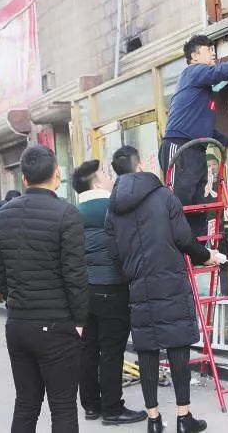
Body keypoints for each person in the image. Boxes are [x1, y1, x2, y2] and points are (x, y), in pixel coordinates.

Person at [105, 146, 218, 433]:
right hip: (170, 281)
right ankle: (183, 417)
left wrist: (132, 274)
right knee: (177, 344)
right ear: (139, 165)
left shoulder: (113, 209)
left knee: (147, 349)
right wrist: (206, 256)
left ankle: (153, 420)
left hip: (138, 285)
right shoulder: (164, 197)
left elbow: (114, 253)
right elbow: (183, 238)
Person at [0, 144, 88, 433]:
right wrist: (80, 320)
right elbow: (75, 275)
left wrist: (14, 302)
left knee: (26, 403)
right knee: (63, 406)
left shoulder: (1, 216)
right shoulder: (67, 214)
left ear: (24, 178)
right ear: (57, 173)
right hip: (57, 325)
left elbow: (0, 272)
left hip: (18, 324)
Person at [160, 35, 228, 237]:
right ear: (194, 56)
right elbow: (219, 72)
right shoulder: (192, 72)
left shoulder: (202, 91)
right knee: (179, 203)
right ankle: (178, 250)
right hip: (179, 147)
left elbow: (207, 129)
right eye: (208, 50)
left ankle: (199, 249)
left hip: (197, 149)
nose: (213, 53)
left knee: (199, 204)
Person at [72, 160, 146, 425]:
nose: (108, 176)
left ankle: (91, 406)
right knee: (112, 350)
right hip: (112, 288)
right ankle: (113, 409)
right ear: (95, 182)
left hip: (83, 291)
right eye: (103, 173)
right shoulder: (115, 208)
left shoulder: (73, 213)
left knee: (88, 349)